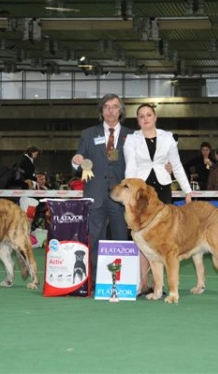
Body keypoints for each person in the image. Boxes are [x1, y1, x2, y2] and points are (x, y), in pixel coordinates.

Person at [123, 103, 193, 296]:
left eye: (148, 115)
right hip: (141, 193)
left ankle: (159, 285)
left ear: (155, 117)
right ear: (138, 121)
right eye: (141, 116)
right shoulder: (131, 140)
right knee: (142, 238)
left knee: (164, 239)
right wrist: (130, 193)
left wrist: (187, 191)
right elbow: (130, 167)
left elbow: (177, 165)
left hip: (162, 189)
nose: (145, 119)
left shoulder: (168, 137)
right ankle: (143, 283)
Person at [71, 93, 133, 283]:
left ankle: (121, 281)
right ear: (101, 111)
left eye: (114, 106)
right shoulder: (89, 134)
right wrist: (76, 161)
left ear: (120, 110)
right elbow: (78, 159)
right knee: (95, 240)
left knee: (122, 238)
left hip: (121, 197)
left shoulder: (131, 135)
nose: (110, 111)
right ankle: (96, 281)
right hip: (95, 194)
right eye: (106, 107)